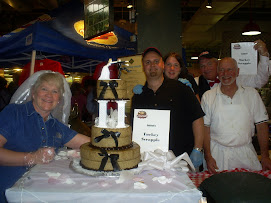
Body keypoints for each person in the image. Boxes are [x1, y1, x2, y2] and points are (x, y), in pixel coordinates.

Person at [0, 71, 90, 202]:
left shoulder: (56, 126)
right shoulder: (14, 113)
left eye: (55, 91)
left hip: (40, 196)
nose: (49, 95)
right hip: (7, 194)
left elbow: (87, 143)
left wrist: (117, 142)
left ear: (59, 99)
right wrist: (31, 157)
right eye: (44, 89)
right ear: (33, 93)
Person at [131, 47, 205, 168]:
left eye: (156, 61)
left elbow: (197, 119)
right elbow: (135, 129)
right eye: (148, 62)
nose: (152, 65)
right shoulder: (138, 97)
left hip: (181, 160)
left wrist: (198, 148)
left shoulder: (182, 89)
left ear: (162, 65)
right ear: (143, 66)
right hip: (149, 162)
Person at [201, 57, 271, 173]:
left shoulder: (252, 94)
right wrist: (208, 156)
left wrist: (265, 156)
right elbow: (205, 129)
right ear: (218, 73)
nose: (225, 74)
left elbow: (261, 125)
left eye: (230, 69)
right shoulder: (208, 96)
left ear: (237, 72)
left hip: (246, 154)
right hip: (217, 156)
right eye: (222, 70)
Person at [196, 39, 270, 99]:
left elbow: (259, 80)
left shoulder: (234, 78)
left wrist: (264, 55)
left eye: (209, 64)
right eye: (202, 66)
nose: (206, 68)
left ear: (218, 64)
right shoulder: (196, 83)